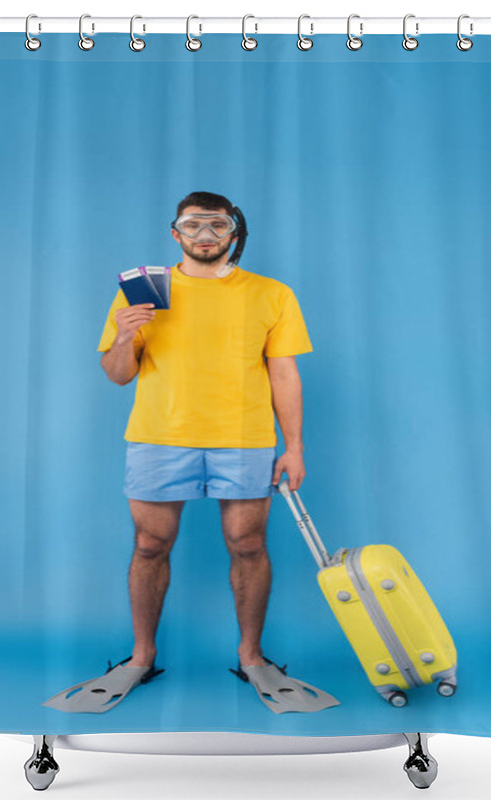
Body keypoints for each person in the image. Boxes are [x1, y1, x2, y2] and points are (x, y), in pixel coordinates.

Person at [96, 191, 313, 675]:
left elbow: (284, 374)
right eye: (193, 225)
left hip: (244, 437)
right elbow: (117, 374)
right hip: (159, 435)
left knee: (248, 543)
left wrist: (293, 447)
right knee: (150, 544)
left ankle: (251, 656)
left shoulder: (270, 293)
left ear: (235, 233)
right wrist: (125, 334)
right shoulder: (143, 288)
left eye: (217, 225)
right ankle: (142, 656)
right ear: (175, 233)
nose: (205, 235)